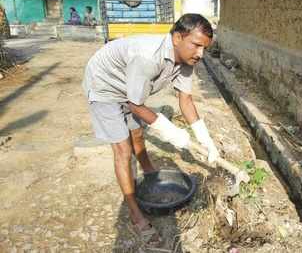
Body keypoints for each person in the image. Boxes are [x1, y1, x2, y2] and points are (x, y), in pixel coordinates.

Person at [82, 14, 219, 246]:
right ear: (177, 37)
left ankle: (149, 172)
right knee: (123, 150)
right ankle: (136, 215)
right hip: (104, 85)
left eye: (204, 48)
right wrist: (171, 132)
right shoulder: (147, 57)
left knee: (136, 133)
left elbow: (185, 100)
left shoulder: (187, 61)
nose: (200, 54)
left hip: (130, 90)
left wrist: (206, 141)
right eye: (196, 45)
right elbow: (135, 104)